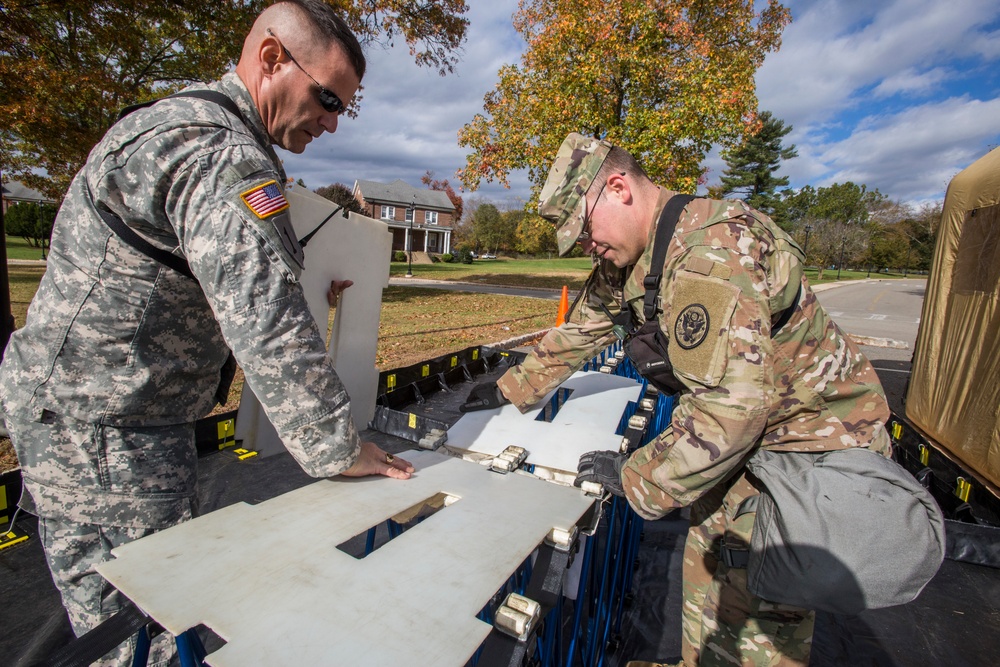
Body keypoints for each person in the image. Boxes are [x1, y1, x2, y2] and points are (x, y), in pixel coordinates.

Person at [0, 1, 412, 664]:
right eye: (327, 97)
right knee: (146, 635)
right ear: (272, 58)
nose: (333, 122)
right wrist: (340, 446)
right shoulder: (223, 155)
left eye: (345, 109)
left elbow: (218, 279)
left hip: (120, 415)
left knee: (170, 606)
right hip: (105, 432)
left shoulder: (194, 128)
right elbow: (265, 317)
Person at [462, 133, 892, 666]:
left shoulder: (708, 256)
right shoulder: (638, 255)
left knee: (749, 623)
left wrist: (635, 476)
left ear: (618, 188)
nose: (586, 247)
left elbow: (733, 412)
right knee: (709, 583)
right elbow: (583, 329)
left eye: (586, 231)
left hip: (804, 451)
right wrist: (507, 389)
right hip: (747, 442)